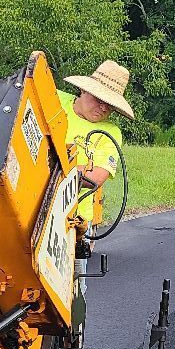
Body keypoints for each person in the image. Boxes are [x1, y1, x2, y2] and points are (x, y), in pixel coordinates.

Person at [59, 60, 135, 302]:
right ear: (83, 89)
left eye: (109, 104)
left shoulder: (110, 133)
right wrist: (77, 167)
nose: (102, 108)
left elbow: (94, 178)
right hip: (31, 206)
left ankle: (74, 339)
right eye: (97, 98)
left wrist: (53, 164)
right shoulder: (53, 100)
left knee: (72, 295)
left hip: (74, 221)